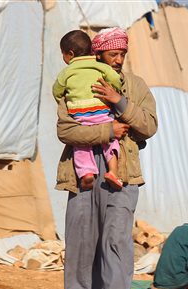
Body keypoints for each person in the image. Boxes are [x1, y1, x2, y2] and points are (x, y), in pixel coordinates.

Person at [55, 27, 158, 289]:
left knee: (115, 241)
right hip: (81, 173)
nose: (119, 59)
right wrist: (105, 131)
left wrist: (119, 102)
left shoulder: (135, 86)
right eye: (114, 54)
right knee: (81, 244)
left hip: (121, 172)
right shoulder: (77, 83)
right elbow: (65, 130)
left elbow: (149, 126)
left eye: (123, 54)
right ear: (96, 54)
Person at [53, 30, 124, 190]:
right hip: (101, 112)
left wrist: (66, 100)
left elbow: (57, 90)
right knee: (111, 140)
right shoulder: (100, 67)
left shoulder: (66, 72)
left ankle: (86, 173)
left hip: (79, 116)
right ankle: (113, 171)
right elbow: (114, 79)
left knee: (81, 145)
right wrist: (114, 89)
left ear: (70, 54)